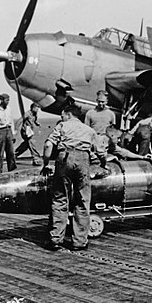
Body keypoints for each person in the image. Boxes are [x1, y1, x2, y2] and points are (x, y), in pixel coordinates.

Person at [41, 104, 106, 251]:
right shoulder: (89, 130)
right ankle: (79, 242)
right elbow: (101, 152)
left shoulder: (62, 126)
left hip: (64, 158)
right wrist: (104, 163)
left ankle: (56, 239)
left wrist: (45, 163)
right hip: (84, 160)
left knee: (60, 199)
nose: (61, 117)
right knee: (82, 200)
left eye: (62, 115)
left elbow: (47, 146)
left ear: (68, 114)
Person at [0, 93, 17, 174]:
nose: (8, 102)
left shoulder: (9, 109)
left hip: (8, 130)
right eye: (6, 100)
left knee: (11, 152)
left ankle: (12, 170)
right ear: (2, 100)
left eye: (8, 100)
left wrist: (13, 133)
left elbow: (11, 121)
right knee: (0, 153)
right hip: (0, 131)